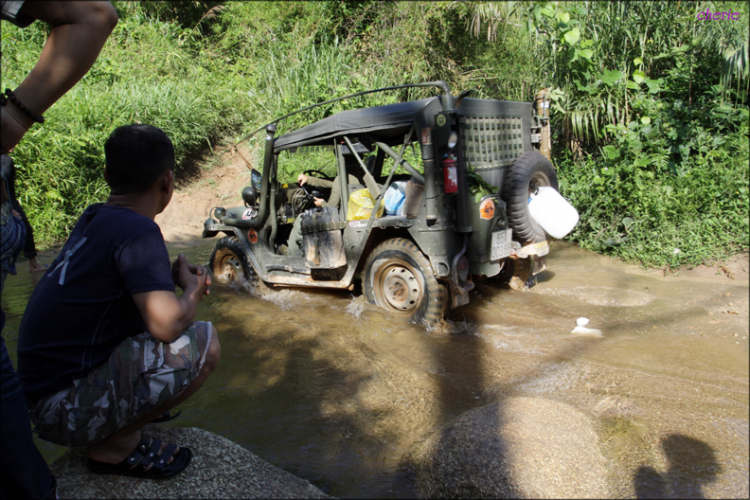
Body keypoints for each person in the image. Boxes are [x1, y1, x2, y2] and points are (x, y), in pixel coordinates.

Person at [16, 124, 221, 479]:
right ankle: (114, 445)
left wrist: (166, 277)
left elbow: (106, 284)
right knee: (204, 344)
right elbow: (167, 324)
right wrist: (192, 289)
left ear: (108, 174)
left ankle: (116, 419)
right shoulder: (140, 231)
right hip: (63, 411)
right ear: (168, 182)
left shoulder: (96, 218)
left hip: (39, 402)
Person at [2, 2, 118, 497]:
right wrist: (12, 119)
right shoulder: (130, 234)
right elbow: (95, 14)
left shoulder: (98, 221)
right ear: (167, 183)